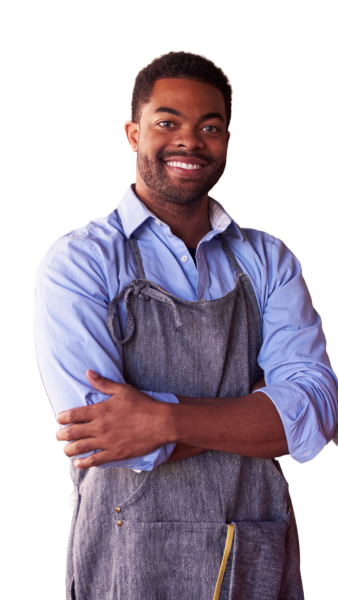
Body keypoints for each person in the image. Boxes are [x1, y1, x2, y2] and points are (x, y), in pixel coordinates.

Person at [34, 51, 338, 600]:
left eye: (210, 127)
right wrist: (253, 409)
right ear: (132, 133)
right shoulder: (80, 261)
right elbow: (105, 436)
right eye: (168, 122)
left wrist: (160, 419)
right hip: (125, 556)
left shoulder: (268, 259)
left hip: (253, 547)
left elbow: (312, 415)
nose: (190, 141)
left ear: (227, 141)